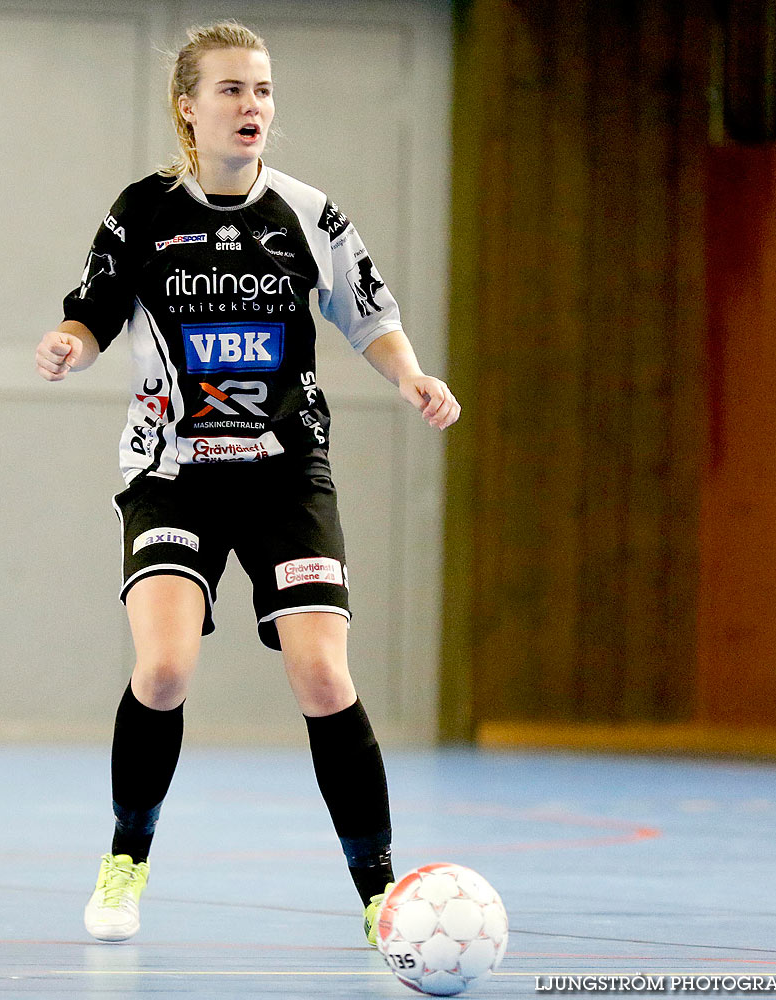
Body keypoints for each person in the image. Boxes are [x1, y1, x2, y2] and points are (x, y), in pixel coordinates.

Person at [34, 21, 460, 946]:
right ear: (188, 108)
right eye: (230, 90)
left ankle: (379, 894)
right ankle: (124, 862)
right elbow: (94, 305)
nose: (251, 106)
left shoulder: (307, 213)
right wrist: (70, 342)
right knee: (164, 668)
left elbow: (367, 312)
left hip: (285, 476)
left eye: (262, 90)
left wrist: (413, 376)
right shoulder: (144, 210)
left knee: (320, 673)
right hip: (173, 472)